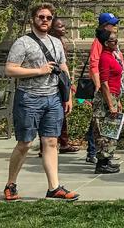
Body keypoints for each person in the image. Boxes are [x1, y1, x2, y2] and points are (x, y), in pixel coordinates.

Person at [3, 3, 78, 201]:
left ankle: (54, 187)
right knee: (25, 144)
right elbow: (10, 69)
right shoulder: (23, 42)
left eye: (48, 18)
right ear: (33, 19)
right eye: (41, 17)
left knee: (51, 142)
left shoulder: (56, 42)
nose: (45, 20)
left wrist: (67, 95)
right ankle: (11, 184)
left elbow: (63, 68)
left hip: (53, 98)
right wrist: (39, 70)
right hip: (28, 98)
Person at [85, 12, 123, 165]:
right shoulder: (99, 43)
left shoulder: (111, 45)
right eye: (112, 24)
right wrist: (101, 88)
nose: (115, 27)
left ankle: (106, 154)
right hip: (105, 90)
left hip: (113, 90)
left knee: (106, 125)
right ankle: (96, 154)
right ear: (104, 26)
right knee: (99, 124)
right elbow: (94, 65)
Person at [93, 30, 123, 174]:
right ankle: (101, 163)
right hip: (106, 98)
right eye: (114, 41)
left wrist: (118, 100)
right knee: (103, 131)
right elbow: (104, 83)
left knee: (111, 130)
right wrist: (111, 104)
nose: (116, 43)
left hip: (113, 96)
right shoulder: (104, 57)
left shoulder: (111, 55)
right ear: (106, 43)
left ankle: (107, 160)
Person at [48, 17, 79, 154]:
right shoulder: (49, 43)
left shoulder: (60, 42)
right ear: (52, 29)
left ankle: (64, 143)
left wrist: (68, 83)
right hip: (51, 84)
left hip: (61, 82)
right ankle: (46, 147)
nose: (63, 29)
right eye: (60, 27)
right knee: (52, 115)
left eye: (63, 26)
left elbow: (63, 64)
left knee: (62, 112)